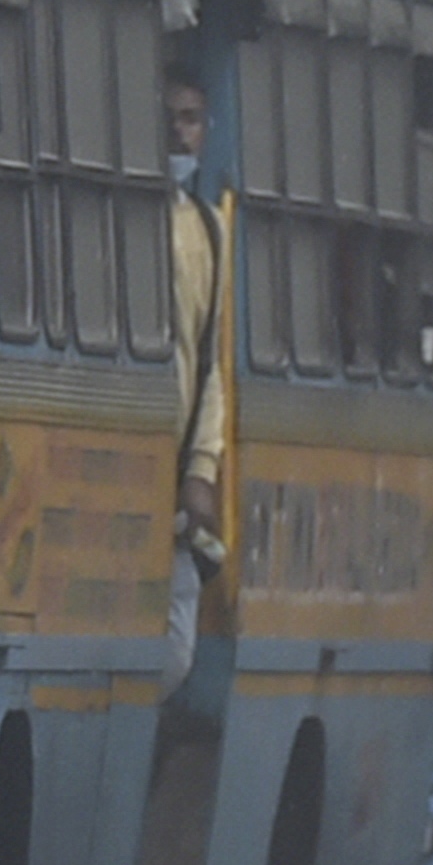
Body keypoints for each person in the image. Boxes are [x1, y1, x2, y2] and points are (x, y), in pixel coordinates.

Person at [163, 70, 229, 695]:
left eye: (189, 119)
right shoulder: (116, 218)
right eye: (166, 118)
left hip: (175, 479)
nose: (177, 133)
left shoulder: (209, 229)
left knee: (175, 653)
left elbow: (209, 364)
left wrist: (200, 470)